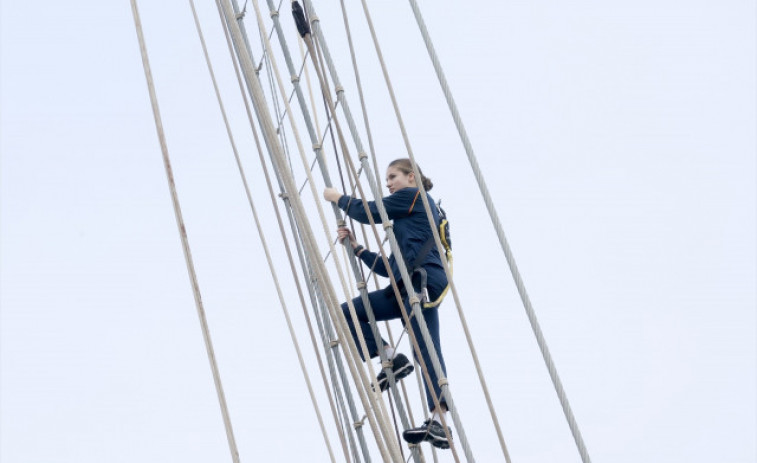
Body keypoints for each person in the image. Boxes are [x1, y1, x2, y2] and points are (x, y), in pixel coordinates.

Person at [323, 158, 451, 449]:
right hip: (406, 283)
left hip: (424, 283)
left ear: (411, 178)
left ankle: (440, 420)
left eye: (393, 176)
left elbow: (368, 212)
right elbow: (390, 270)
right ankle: (391, 358)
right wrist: (358, 249)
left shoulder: (415, 197)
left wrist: (337, 197)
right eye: (388, 179)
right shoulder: (406, 225)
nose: (389, 183)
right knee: (349, 312)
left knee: (426, 346)